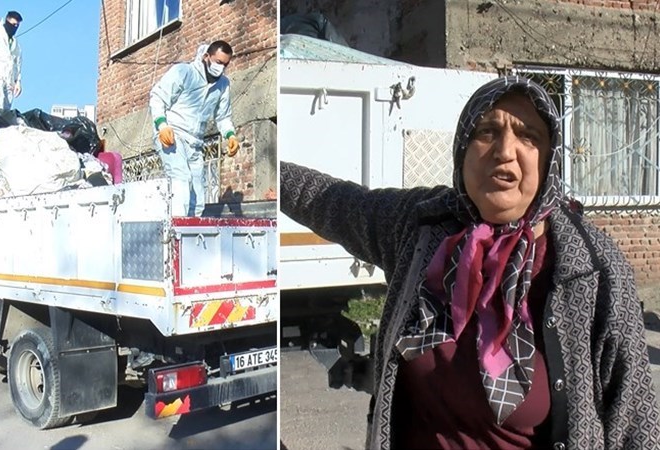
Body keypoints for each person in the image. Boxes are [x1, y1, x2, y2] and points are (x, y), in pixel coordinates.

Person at [280, 76, 660, 449]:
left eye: (528, 136)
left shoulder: (592, 268)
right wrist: (266, 164)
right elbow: (329, 200)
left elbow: (635, 423)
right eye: (487, 131)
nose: (505, 151)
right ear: (462, 150)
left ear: (549, 161)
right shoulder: (420, 225)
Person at [149, 40, 239, 217]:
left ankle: (193, 229)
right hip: (172, 134)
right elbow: (158, 97)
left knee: (198, 193)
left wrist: (230, 135)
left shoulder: (223, 85)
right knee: (181, 179)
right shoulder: (184, 72)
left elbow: (223, 117)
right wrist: (162, 125)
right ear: (206, 56)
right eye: (218, 62)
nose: (221, 68)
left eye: (225, 64)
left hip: (195, 142)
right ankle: (177, 227)